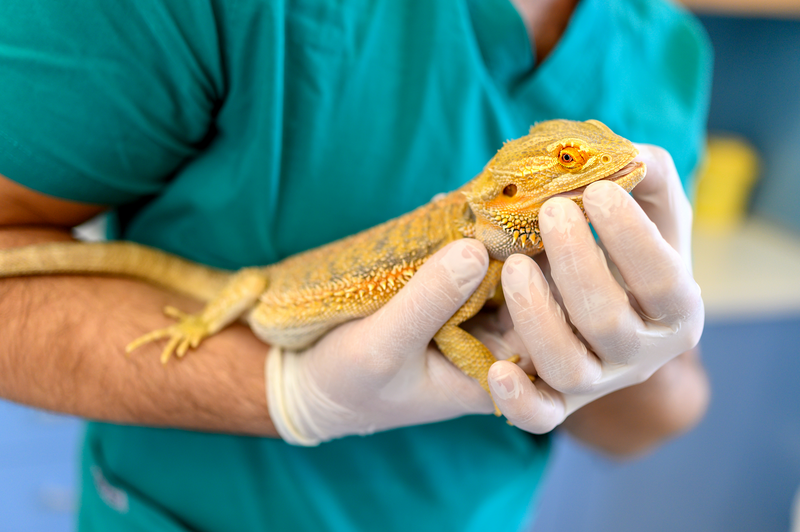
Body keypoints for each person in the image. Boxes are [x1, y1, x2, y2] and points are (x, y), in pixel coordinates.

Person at [0, 0, 710, 529]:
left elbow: (642, 424)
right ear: (515, 189)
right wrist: (284, 390)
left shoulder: (672, 52)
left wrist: (642, 356)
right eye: (566, 160)